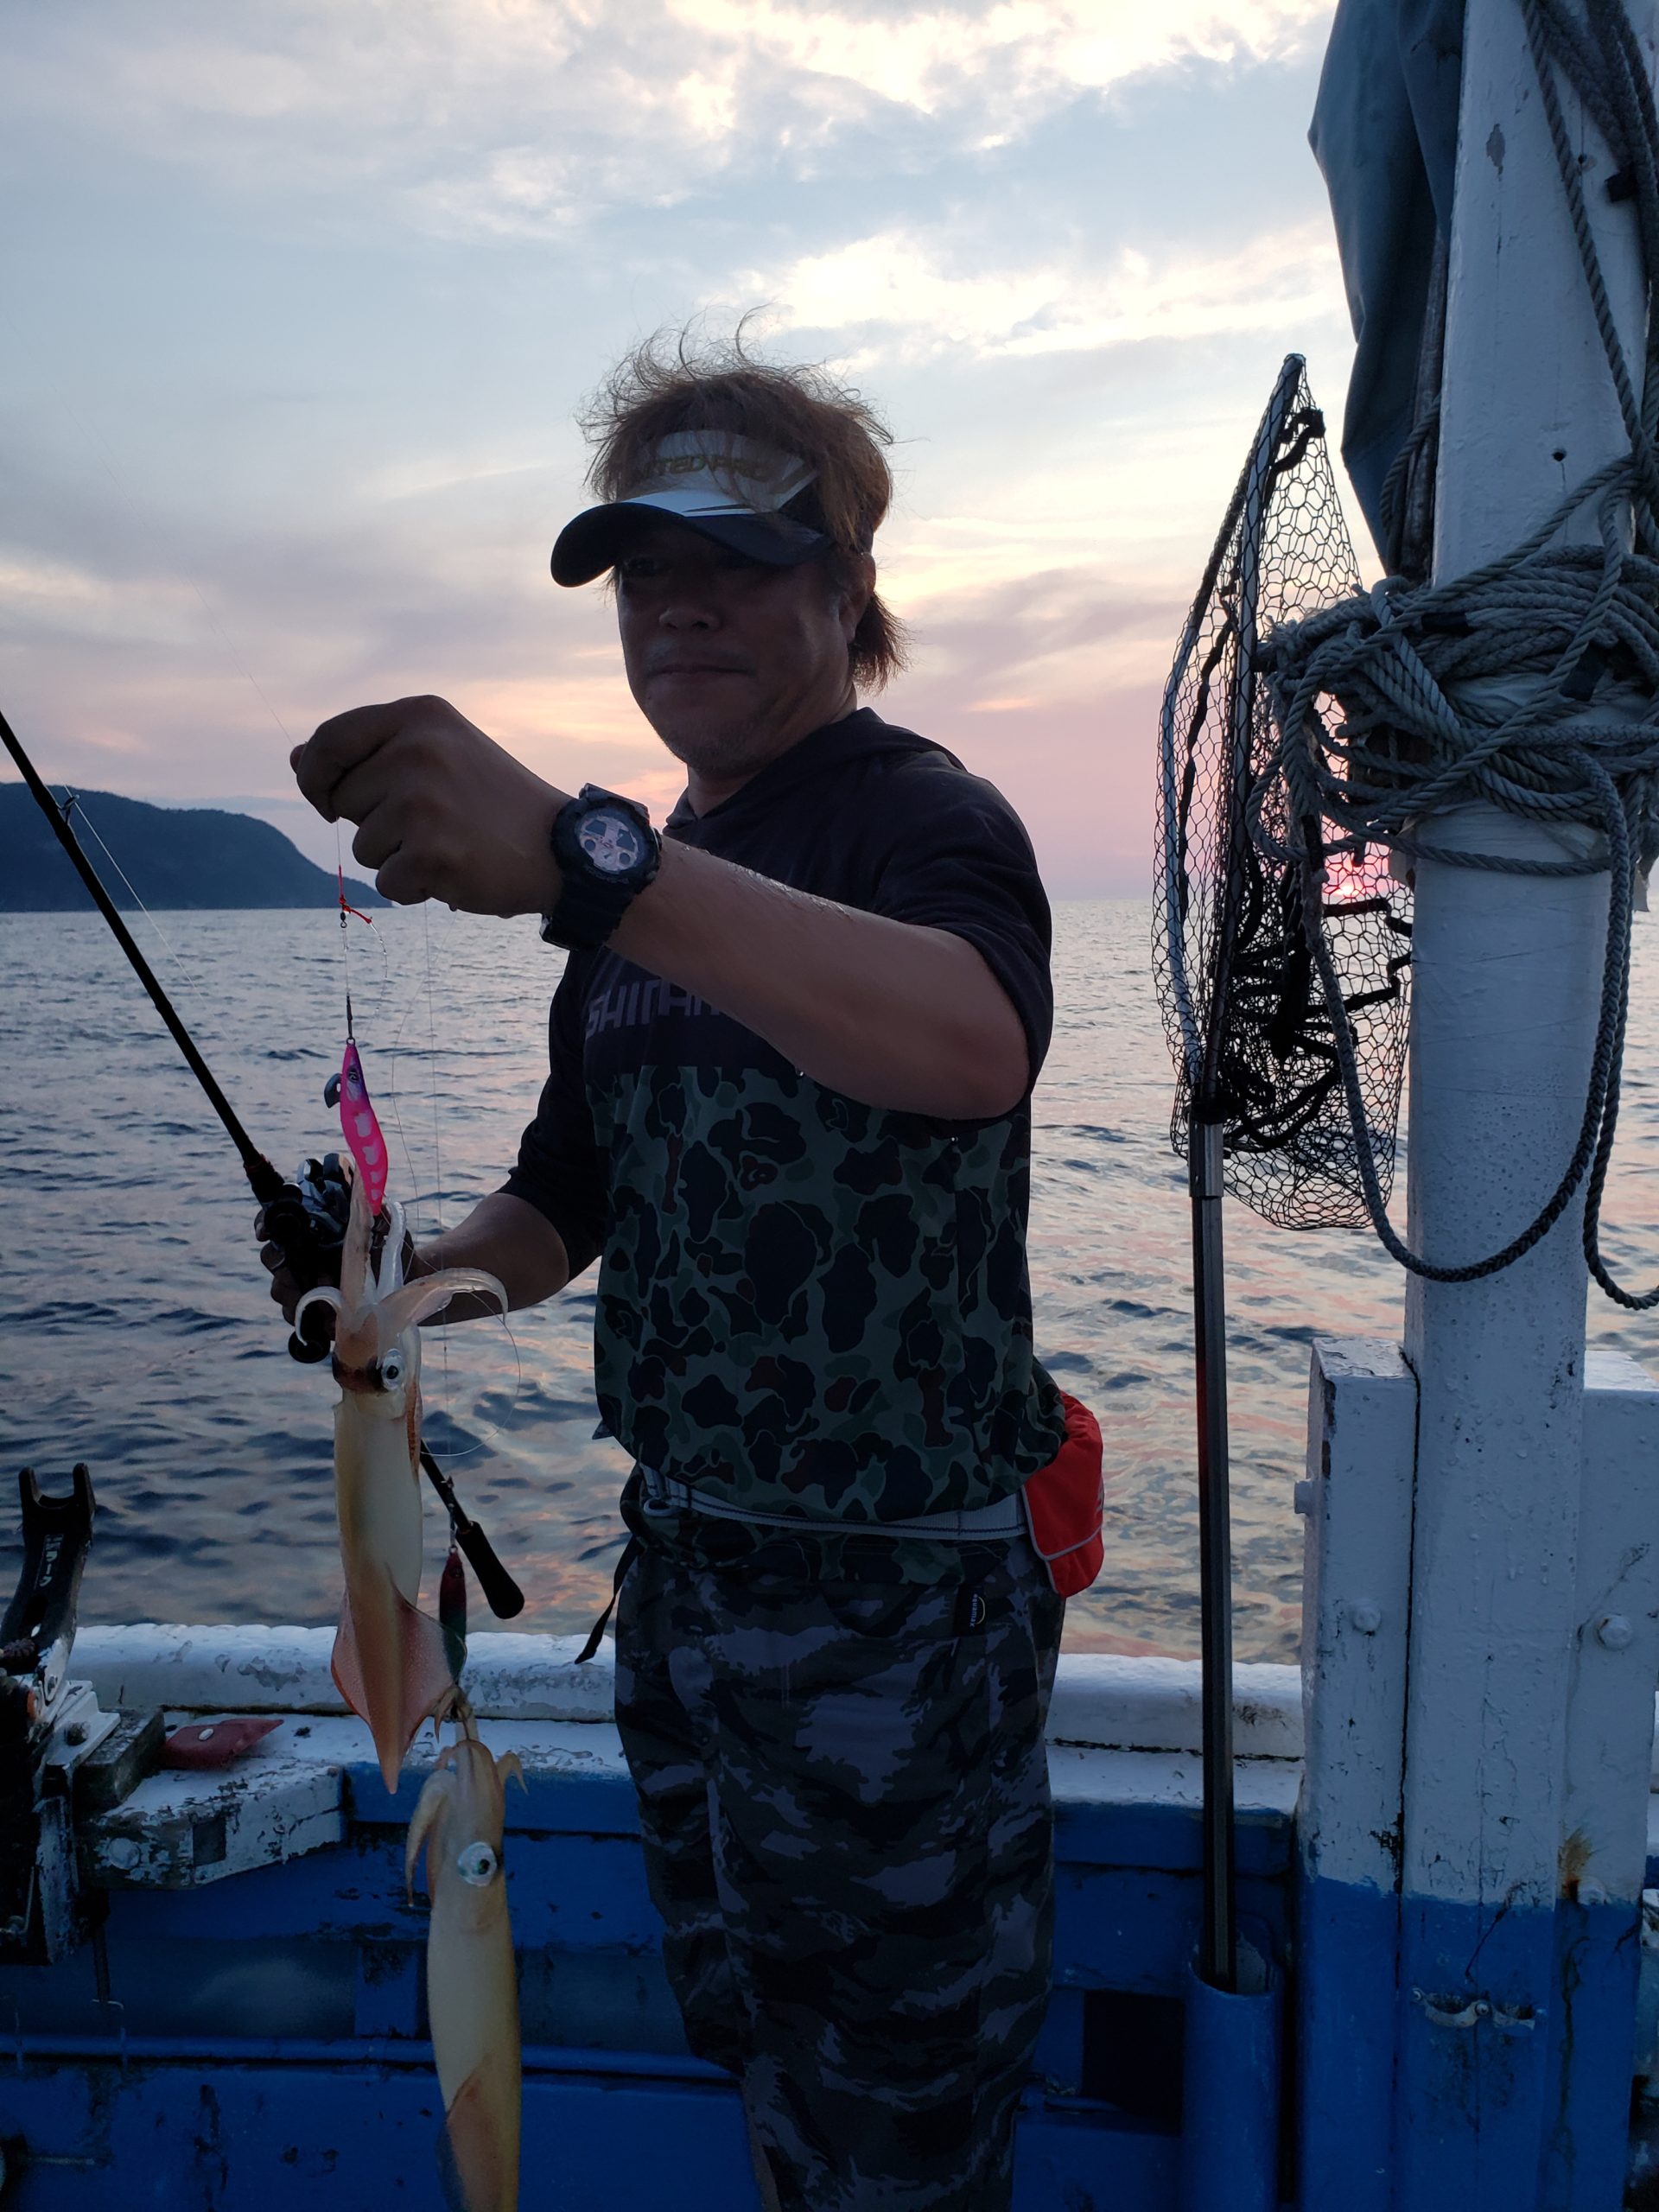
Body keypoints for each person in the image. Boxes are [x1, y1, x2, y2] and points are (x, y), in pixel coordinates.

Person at [267, 335, 1095, 2212]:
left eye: (740, 558)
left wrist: (589, 857)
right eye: (649, 572)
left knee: (898, 2122)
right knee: (760, 2053)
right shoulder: (648, 889)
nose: (685, 605)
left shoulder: (921, 820)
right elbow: (568, 1194)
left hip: (899, 1614)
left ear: (847, 586)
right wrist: (405, 1297)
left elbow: (972, 1047)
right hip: (689, 1592)